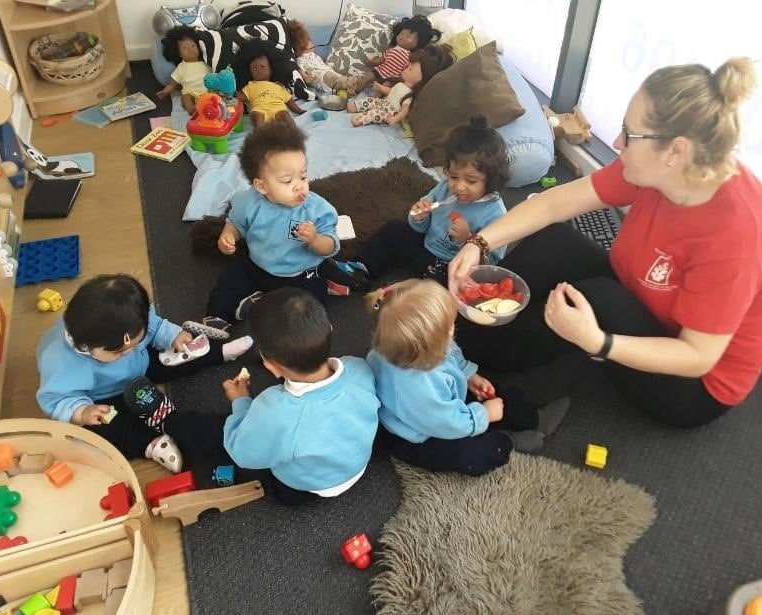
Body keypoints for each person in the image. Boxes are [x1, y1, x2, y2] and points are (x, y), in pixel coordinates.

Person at [449, 57, 762, 428]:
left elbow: (698, 356)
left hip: (693, 385)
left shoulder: (740, 234)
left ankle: (473, 352)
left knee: (593, 298)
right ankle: (464, 324)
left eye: (629, 134)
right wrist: (478, 244)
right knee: (555, 239)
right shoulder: (662, 170)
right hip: (645, 298)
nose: (615, 142)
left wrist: (597, 342)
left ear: (676, 151)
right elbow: (556, 203)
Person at [36, 274, 254, 472]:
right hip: (102, 396)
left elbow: (155, 326)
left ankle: (220, 352)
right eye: (119, 351)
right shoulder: (60, 363)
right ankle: (150, 444)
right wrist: (82, 411)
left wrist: (173, 336)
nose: (128, 351)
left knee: (177, 353)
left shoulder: (132, 322)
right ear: (86, 346)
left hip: (143, 363)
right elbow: (57, 399)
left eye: (133, 342)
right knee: (103, 430)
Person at [366, 279, 570, 476]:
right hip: (420, 433)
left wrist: (469, 375)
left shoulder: (403, 346)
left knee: (497, 393)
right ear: (428, 350)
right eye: (449, 327)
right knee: (471, 455)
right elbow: (447, 422)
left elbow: (451, 352)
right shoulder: (417, 388)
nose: (453, 328)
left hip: (442, 398)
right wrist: (483, 415)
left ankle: (534, 417)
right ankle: (507, 441)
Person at [222, 287, 381, 505]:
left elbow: (242, 452)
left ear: (271, 366)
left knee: (216, 429)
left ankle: (170, 422)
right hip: (358, 463)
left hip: (307, 487)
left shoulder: (275, 410)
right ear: (331, 330)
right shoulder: (359, 368)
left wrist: (240, 403)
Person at [183, 122, 339, 340]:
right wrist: (228, 236)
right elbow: (235, 222)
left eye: (303, 177)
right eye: (287, 180)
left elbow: (331, 246)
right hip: (257, 265)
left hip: (301, 273)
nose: (299, 186)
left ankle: (314, 325)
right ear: (261, 186)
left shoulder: (317, 210)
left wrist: (315, 239)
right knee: (228, 281)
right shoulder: (249, 202)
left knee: (311, 301)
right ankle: (218, 317)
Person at [326, 114, 509, 290]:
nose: (459, 187)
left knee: (453, 287)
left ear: (492, 179)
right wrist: (419, 217)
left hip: (451, 266)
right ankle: (360, 270)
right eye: (454, 176)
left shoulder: (495, 213)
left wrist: (467, 240)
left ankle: (425, 296)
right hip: (425, 247)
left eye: (471, 181)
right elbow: (419, 228)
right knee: (394, 230)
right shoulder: (444, 188)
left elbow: (490, 264)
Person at [347, 44, 453, 128]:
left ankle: (360, 120)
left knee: (374, 114)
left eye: (410, 69)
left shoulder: (409, 94)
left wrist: (396, 118)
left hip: (390, 111)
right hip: (385, 102)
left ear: (422, 78)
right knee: (370, 100)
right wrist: (380, 88)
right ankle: (354, 106)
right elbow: (392, 91)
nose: (406, 70)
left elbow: (405, 109)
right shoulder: (401, 84)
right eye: (408, 66)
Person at [354, 15, 440, 93]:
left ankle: (374, 102)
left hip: (392, 78)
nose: (402, 36)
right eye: (401, 33)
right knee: (366, 78)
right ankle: (354, 90)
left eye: (408, 36)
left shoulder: (412, 57)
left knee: (383, 88)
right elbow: (381, 59)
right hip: (379, 70)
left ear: (418, 43)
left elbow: (409, 71)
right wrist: (372, 62)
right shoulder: (392, 49)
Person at [288, 19, 360, 96]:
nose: (312, 43)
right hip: (320, 77)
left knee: (338, 78)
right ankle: (348, 84)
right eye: (309, 41)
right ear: (303, 47)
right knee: (337, 80)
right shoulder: (301, 58)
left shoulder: (313, 54)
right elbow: (299, 68)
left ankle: (348, 88)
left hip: (328, 74)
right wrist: (305, 77)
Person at [238, 50, 307, 127]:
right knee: (256, 117)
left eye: (262, 67)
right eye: (254, 69)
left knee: (286, 116)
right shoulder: (250, 85)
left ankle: (292, 132)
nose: (259, 70)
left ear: (271, 69)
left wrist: (299, 110)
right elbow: (240, 97)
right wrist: (231, 94)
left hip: (278, 109)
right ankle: (261, 134)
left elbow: (290, 101)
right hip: (260, 109)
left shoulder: (279, 86)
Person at [157, 26, 211, 114]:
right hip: (191, 93)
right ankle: (194, 112)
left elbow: (214, 75)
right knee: (185, 98)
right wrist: (165, 91)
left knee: (216, 93)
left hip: (207, 91)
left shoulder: (206, 62)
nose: (190, 49)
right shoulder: (181, 68)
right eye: (184, 48)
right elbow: (172, 84)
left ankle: (212, 108)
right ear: (179, 54)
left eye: (193, 45)